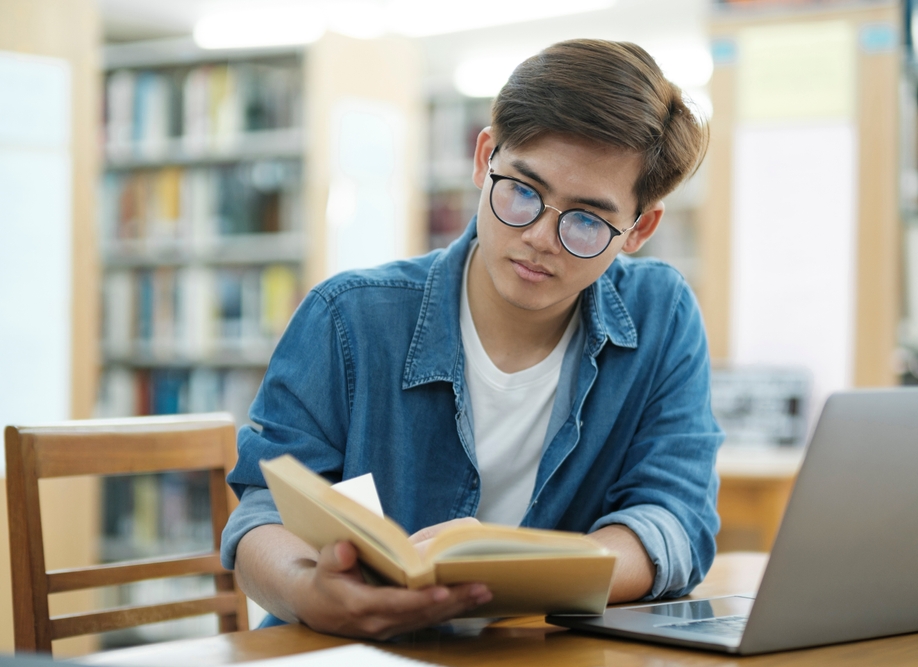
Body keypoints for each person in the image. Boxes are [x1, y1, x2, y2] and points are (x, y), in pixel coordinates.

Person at [222, 38, 722, 641]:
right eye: (522, 191)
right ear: (485, 158)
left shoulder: (661, 316)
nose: (539, 237)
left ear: (639, 228)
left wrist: (520, 563)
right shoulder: (347, 317)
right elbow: (261, 517)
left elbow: (676, 518)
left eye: (587, 220)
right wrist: (309, 591)